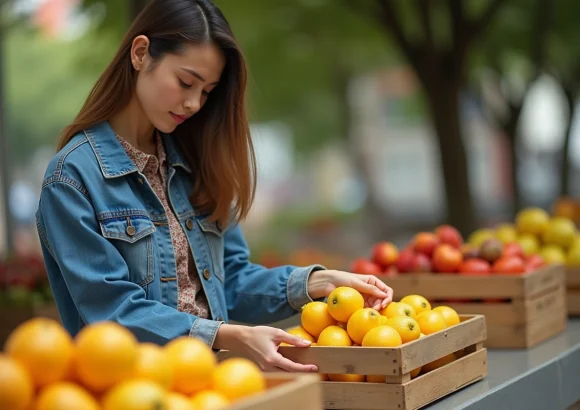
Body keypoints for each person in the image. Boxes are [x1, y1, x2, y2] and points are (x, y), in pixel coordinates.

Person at [35, 0, 393, 372]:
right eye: (186, 82)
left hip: (212, 382)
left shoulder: (193, 162)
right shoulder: (72, 179)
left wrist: (318, 281)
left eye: (207, 91)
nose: (193, 103)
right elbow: (110, 310)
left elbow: (231, 280)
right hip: (133, 388)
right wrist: (228, 335)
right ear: (141, 53)